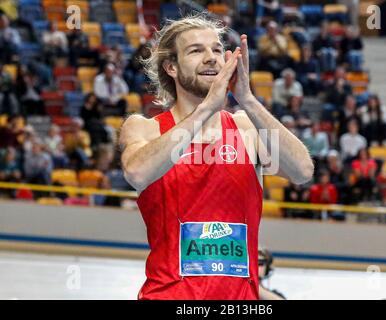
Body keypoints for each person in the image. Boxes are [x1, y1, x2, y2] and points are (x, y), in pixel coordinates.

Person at [119, 14, 314, 300]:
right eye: (196, 50)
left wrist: (247, 99)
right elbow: (137, 172)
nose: (211, 58)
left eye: (217, 50)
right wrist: (204, 110)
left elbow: (302, 170)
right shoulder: (144, 128)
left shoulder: (245, 127)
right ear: (171, 67)